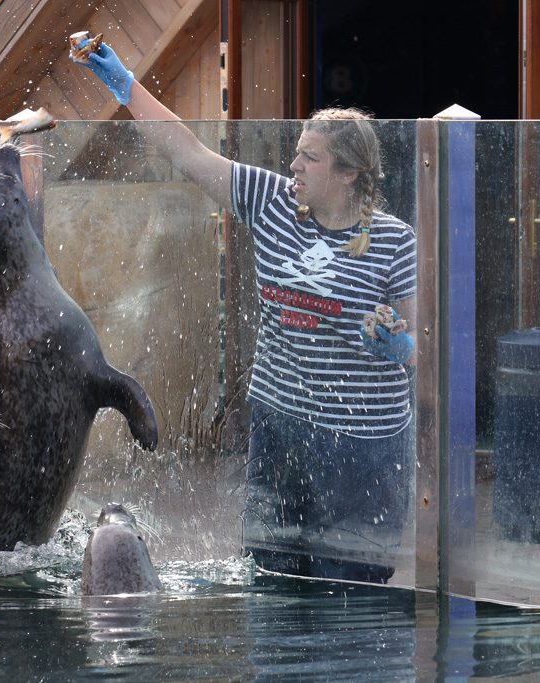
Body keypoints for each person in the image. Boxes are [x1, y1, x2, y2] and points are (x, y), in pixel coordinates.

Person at [71, 40, 416, 583]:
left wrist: (397, 344)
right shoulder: (272, 200)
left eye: (310, 158)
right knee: (271, 581)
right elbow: (187, 153)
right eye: (297, 152)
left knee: (349, 594)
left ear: (348, 174)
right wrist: (123, 82)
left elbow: (421, 341)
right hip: (281, 432)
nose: (294, 165)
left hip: (361, 448)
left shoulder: (394, 241)